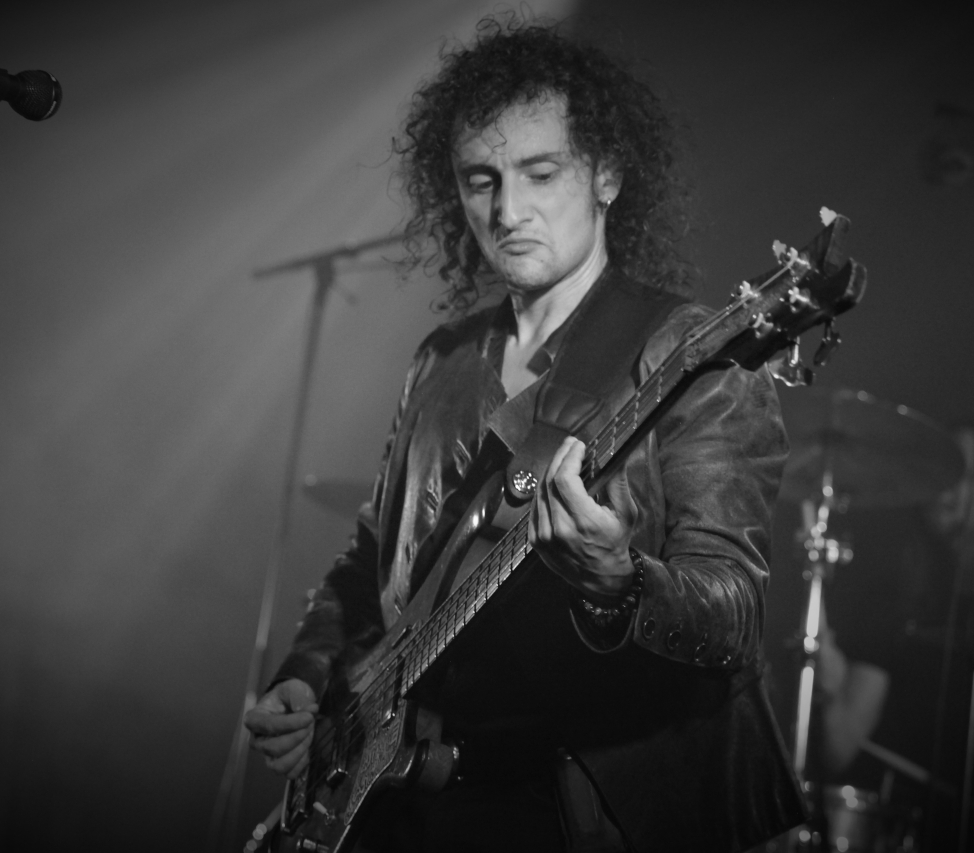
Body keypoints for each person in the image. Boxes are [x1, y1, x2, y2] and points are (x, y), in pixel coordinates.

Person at [244, 17, 805, 852]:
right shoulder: (442, 361)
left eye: (541, 173)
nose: (507, 210)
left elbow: (734, 611)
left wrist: (623, 582)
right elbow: (370, 562)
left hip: (572, 808)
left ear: (607, 174)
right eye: (481, 181)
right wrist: (306, 670)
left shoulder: (688, 352)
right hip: (401, 803)